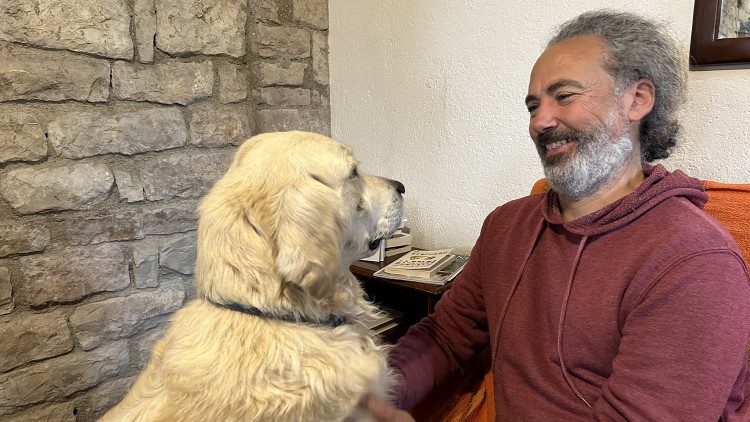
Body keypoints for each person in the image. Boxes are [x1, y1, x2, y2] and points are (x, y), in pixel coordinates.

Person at [364, 10, 750, 421]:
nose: (540, 122)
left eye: (564, 96)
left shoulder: (694, 261)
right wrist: (373, 398)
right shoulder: (507, 226)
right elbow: (446, 337)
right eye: (534, 105)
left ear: (637, 100)